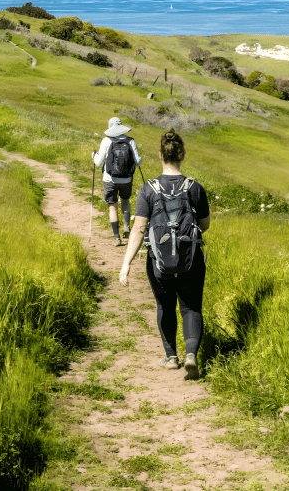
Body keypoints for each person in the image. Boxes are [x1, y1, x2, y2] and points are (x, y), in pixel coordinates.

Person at [119, 129, 210, 380]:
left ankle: (171, 357)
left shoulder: (148, 189)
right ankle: (191, 353)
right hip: (190, 259)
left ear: (160, 155)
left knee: (165, 305)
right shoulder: (195, 188)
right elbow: (204, 225)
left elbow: (139, 228)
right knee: (191, 307)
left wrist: (126, 263)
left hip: (158, 262)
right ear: (181, 154)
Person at [93, 117, 142, 246]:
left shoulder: (106, 140)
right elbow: (138, 162)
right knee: (125, 201)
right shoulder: (130, 141)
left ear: (110, 127)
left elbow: (98, 162)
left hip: (110, 179)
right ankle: (126, 225)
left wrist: (94, 155)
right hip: (126, 179)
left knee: (112, 207)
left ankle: (116, 238)